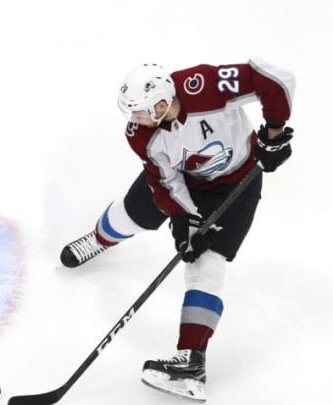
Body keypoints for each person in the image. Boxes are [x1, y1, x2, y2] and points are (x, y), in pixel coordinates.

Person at [60, 59, 295, 401]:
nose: (133, 120)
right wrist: (184, 218)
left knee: (207, 263)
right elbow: (164, 179)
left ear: (160, 102)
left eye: (139, 111)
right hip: (184, 181)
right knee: (129, 214)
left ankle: (191, 363)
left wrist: (273, 134)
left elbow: (274, 78)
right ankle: (97, 240)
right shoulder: (141, 135)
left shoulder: (205, 85)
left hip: (237, 184)